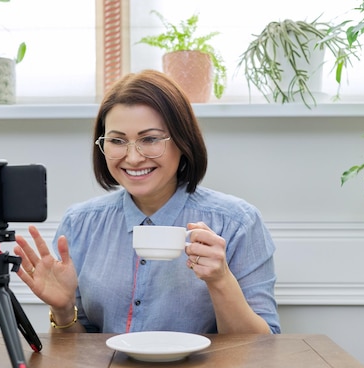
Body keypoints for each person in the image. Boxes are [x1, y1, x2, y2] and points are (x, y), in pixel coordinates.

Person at [14, 69, 280, 334]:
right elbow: (77, 353)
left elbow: (261, 350)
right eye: (117, 140)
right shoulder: (80, 224)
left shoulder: (237, 223)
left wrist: (220, 280)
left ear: (183, 140)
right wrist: (62, 311)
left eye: (150, 139)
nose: (133, 158)